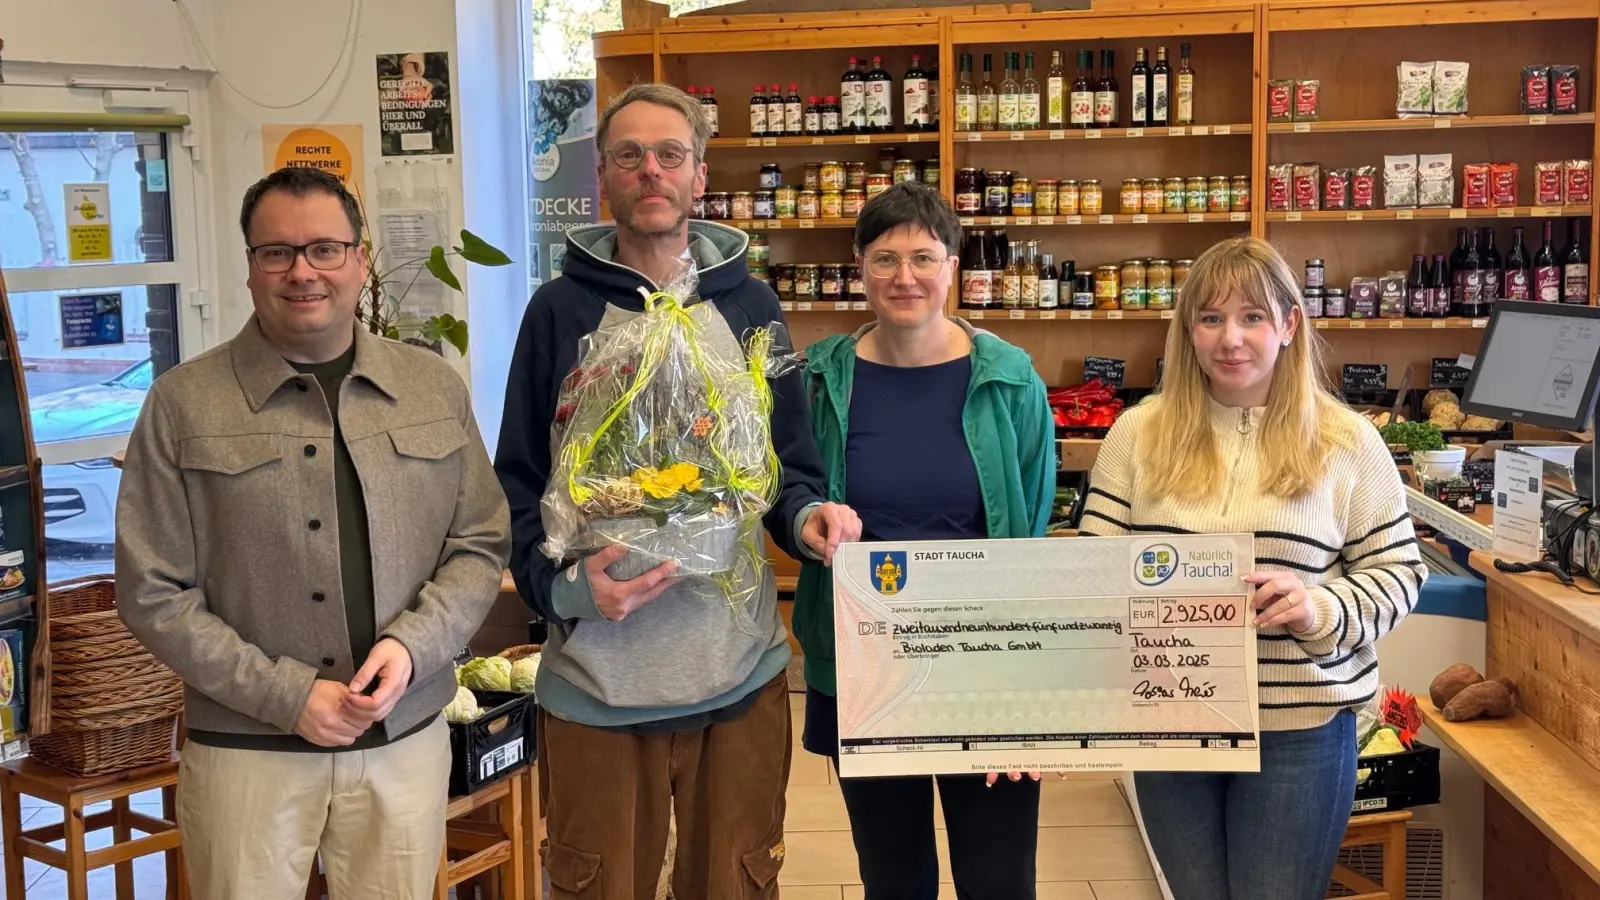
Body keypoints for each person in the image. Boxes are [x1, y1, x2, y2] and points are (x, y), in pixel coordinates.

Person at [495, 82, 861, 900]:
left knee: (736, 882)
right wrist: (563, 589)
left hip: (736, 677)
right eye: (630, 155)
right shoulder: (557, 313)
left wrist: (806, 520)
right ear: (604, 177)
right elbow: (517, 478)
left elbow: (787, 463)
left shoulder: (752, 305)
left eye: (670, 155)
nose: (650, 171)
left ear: (700, 177)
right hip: (597, 686)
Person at [116, 166, 511, 899]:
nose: (303, 271)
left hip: (403, 738)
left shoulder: (430, 386)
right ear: (249, 268)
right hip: (246, 750)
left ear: (360, 260)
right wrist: (287, 695)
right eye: (278, 252)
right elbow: (151, 592)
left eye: (325, 249)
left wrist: (411, 646)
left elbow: (480, 541)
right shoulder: (182, 404)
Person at [1079, 236, 1427, 900]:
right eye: (1210, 319)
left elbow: (1399, 572)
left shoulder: (1348, 440)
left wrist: (1316, 608)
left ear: (1289, 324)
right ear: (1187, 330)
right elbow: (1096, 571)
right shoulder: (1139, 431)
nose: (1229, 339)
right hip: (1170, 724)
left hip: (1298, 730)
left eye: (1251, 317)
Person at [791, 181, 1057, 900]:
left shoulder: (1010, 380)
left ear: (953, 266)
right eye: (884, 259)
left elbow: (1031, 525)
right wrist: (813, 516)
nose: (904, 276)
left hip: (986, 662)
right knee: (893, 874)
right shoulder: (820, 381)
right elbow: (793, 494)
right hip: (867, 662)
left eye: (923, 256)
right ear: (858, 267)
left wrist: (1036, 681)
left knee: (999, 876)